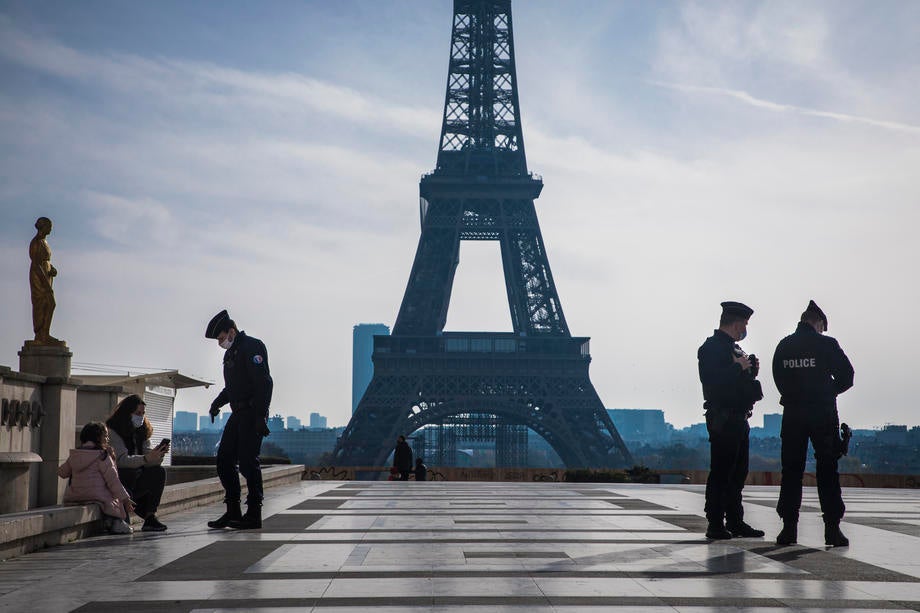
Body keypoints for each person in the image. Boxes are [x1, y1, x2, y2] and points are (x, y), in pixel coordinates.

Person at [772, 300, 854, 547]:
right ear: (818, 323)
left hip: (793, 414)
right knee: (827, 470)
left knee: (791, 471)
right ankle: (832, 529)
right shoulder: (826, 344)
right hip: (822, 413)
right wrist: (828, 392)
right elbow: (847, 376)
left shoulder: (785, 345)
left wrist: (797, 395)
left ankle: (788, 529)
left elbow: (779, 378)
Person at [697, 301, 765, 540]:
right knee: (722, 473)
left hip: (739, 417)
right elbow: (712, 382)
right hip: (724, 418)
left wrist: (750, 370)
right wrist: (737, 368)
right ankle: (715, 522)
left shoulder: (734, 349)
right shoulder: (711, 348)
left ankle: (735, 520)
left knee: (738, 473)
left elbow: (738, 382)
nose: (745, 328)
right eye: (744, 324)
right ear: (736, 324)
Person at [205, 309, 273, 530]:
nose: (220, 343)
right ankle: (233, 511)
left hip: (252, 413)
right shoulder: (232, 353)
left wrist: (261, 415)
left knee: (247, 462)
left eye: (222, 338)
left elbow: (264, 383)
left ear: (232, 331)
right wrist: (217, 403)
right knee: (224, 460)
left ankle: (254, 513)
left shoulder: (252, 346)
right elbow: (232, 388)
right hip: (238, 413)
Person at [106, 394, 169, 532]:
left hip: (137, 476)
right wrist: (146, 459)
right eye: (137, 413)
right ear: (127, 413)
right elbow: (121, 461)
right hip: (121, 478)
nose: (140, 417)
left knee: (158, 472)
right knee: (130, 472)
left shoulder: (142, 431)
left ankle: (150, 517)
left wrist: (158, 455)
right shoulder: (113, 432)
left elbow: (147, 456)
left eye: (143, 413)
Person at [58, 422, 135, 534]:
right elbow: (113, 481)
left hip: (76, 496)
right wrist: (126, 500)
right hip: (96, 495)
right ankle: (118, 522)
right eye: (105, 435)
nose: (108, 439)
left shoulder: (75, 455)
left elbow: (62, 472)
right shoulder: (102, 456)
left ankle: (110, 521)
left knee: (108, 498)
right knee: (114, 499)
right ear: (98, 437)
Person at [29, 216, 62, 345]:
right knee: (44, 303)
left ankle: (45, 333)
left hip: (46, 275)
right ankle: (41, 334)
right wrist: (45, 283)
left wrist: (52, 269)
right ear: (43, 227)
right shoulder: (36, 242)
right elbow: (37, 264)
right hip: (38, 277)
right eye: (49, 226)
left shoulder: (44, 242)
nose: (51, 229)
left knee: (49, 304)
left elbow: (46, 261)